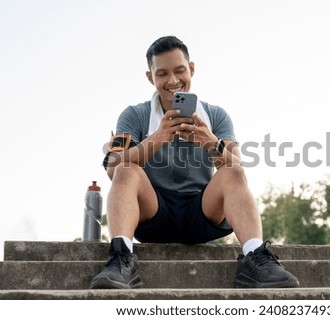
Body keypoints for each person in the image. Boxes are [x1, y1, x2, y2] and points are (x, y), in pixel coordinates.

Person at [90, 36, 299, 289]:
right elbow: (112, 166)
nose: (173, 81)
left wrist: (210, 141)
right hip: (153, 214)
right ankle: (121, 256)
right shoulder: (135, 114)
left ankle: (255, 257)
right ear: (150, 77)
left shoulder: (216, 115)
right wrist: (157, 139)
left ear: (191, 69)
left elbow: (237, 166)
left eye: (179, 71)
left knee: (232, 170)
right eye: (162, 73)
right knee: (126, 168)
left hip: (201, 213)